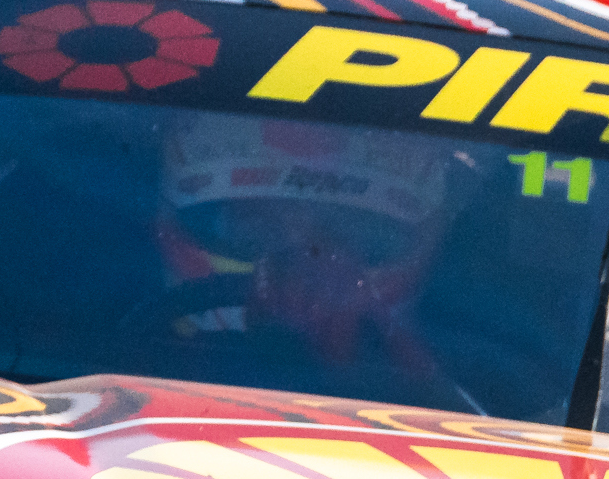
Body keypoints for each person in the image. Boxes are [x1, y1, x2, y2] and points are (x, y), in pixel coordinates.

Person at [148, 116, 462, 397]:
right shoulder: (116, 374)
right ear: (160, 233)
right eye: (256, 225)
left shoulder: (470, 402)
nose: (304, 264)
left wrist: (412, 370)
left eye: (348, 228)